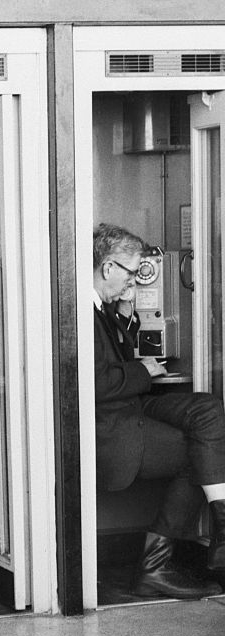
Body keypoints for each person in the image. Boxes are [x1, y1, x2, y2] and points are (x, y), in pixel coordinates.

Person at [92, 223, 224, 598]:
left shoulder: (101, 307)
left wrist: (127, 311)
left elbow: (112, 353)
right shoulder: (80, 312)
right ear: (109, 268)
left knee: (209, 410)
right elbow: (95, 382)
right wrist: (142, 371)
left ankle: (222, 531)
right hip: (113, 426)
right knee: (202, 454)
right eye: (132, 272)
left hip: (129, 407)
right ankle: (155, 567)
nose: (135, 281)